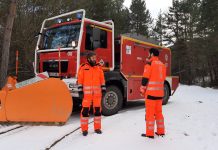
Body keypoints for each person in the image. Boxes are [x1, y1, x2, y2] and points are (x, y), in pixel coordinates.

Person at [77, 51, 106, 136]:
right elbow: (80, 80)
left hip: (97, 95)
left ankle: (97, 128)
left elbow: (102, 79)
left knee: (97, 112)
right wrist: (80, 90)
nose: (94, 59)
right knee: (85, 112)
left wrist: (103, 89)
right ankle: (84, 130)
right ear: (88, 58)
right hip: (86, 95)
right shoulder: (83, 67)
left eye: (95, 58)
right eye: (93, 58)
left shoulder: (98, 68)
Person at [140, 48, 166, 139]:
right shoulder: (162, 65)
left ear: (151, 54)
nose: (148, 55)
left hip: (151, 94)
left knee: (150, 114)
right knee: (159, 113)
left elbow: (145, 78)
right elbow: (163, 79)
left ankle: (150, 134)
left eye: (149, 53)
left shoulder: (149, 64)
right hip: (160, 94)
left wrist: (142, 90)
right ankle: (161, 131)